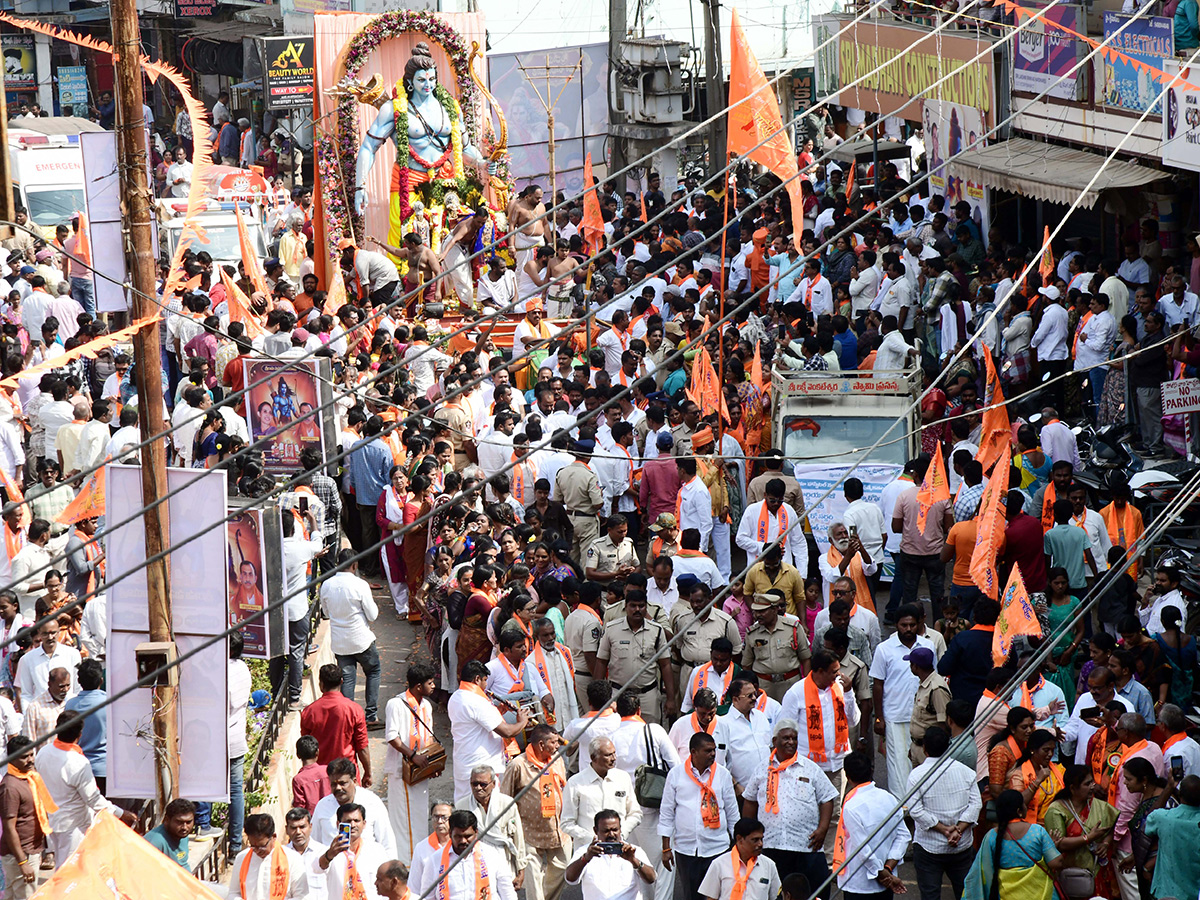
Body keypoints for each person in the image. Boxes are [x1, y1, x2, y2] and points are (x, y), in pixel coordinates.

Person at [740, 720, 837, 899]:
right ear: (775, 741)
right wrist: (749, 834)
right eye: (786, 738)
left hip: (805, 845)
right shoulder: (763, 769)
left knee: (815, 893)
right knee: (775, 894)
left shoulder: (810, 768)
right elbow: (750, 800)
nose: (790, 742)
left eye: (794, 738)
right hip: (771, 844)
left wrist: (823, 829)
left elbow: (827, 798)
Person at [35, 711, 136, 867]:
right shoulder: (78, 762)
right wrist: (121, 813)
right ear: (80, 735)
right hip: (73, 826)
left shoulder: (43, 752)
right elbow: (93, 800)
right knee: (70, 870)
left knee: (67, 867)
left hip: (53, 822)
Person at [658, 732, 739, 900]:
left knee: (717, 895)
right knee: (692, 896)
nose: (713, 754)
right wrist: (666, 848)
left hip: (718, 848)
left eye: (714, 750)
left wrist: (737, 846)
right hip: (687, 850)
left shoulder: (722, 774)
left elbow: (732, 813)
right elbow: (666, 813)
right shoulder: (676, 774)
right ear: (693, 752)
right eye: (708, 751)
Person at [869, 604, 936, 805]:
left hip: (923, 716)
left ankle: (922, 805)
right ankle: (902, 808)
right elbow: (878, 684)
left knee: (923, 763)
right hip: (894, 717)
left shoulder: (928, 646)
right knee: (898, 764)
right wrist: (879, 717)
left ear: (919, 624)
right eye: (904, 625)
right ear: (896, 625)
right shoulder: (884, 649)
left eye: (912, 625)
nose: (908, 629)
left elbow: (934, 679)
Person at [906, 725, 982, 900]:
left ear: (924, 749)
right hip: (961, 846)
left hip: (929, 848)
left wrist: (944, 830)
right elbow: (976, 805)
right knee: (965, 894)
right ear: (949, 746)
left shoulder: (917, 776)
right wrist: (958, 830)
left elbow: (915, 811)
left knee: (930, 895)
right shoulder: (966, 772)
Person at [780, 651, 859, 799]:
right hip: (806, 767)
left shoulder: (841, 688)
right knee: (808, 810)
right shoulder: (796, 693)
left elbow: (853, 721)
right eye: (834, 672)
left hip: (836, 764)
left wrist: (849, 693)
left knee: (834, 814)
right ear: (820, 672)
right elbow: (785, 730)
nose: (839, 675)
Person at [447, 659, 529, 802]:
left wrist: (498, 712)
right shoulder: (476, 701)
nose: (486, 685)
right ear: (477, 679)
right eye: (485, 680)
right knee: (486, 813)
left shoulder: (456, 696)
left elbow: (476, 723)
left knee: (465, 808)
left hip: (465, 764)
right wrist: (522, 722)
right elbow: (507, 732)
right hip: (481, 768)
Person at [834, 751, 910, 900]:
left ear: (848, 777)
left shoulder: (851, 806)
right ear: (871, 771)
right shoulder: (889, 798)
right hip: (887, 881)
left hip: (859, 884)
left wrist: (881, 873)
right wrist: (888, 868)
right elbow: (904, 836)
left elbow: (862, 849)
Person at [962, 789, 1063, 900]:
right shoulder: (1037, 831)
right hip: (1040, 894)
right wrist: (1053, 846)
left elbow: (981, 870)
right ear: (1019, 811)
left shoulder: (991, 836)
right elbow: (1056, 863)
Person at [321, 549, 383, 727]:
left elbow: (326, 612)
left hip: (341, 643)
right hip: (361, 640)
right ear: (355, 565)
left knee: (347, 680)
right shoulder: (360, 585)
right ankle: (371, 716)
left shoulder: (326, 585)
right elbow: (372, 615)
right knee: (373, 671)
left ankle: (348, 720)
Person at [384, 663, 438, 861]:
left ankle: (419, 860)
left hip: (420, 770)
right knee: (401, 820)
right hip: (401, 770)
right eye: (430, 683)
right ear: (417, 686)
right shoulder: (395, 704)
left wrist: (432, 765)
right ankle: (404, 863)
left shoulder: (426, 706)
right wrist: (412, 755)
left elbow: (429, 739)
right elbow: (392, 737)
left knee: (418, 817)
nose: (433, 686)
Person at [1042, 764, 1117, 899]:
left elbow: (1110, 829)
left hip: (1097, 871)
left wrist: (1105, 844)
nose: (1092, 786)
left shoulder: (1098, 805)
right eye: (1087, 784)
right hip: (1070, 874)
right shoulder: (1057, 810)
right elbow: (1059, 843)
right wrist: (1089, 838)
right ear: (1072, 788)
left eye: (1092, 782)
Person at [561, 736, 641, 845]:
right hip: (587, 851)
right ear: (594, 758)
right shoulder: (575, 783)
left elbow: (635, 813)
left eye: (614, 753)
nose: (614, 758)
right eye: (608, 755)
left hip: (619, 849)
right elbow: (567, 823)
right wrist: (592, 839)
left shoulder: (623, 778)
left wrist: (621, 834)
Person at [456, 764, 524, 889]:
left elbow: (518, 838)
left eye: (483, 784)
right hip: (474, 865)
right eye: (474, 784)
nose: (478, 788)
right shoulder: (461, 806)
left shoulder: (507, 804)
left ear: (493, 784)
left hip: (504, 863)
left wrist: (521, 870)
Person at [312, 758, 397, 858]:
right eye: (334, 784)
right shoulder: (322, 806)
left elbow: (387, 842)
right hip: (333, 870)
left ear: (355, 781)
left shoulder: (372, 802)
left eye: (342, 783)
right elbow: (314, 844)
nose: (338, 788)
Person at [300, 665, 372, 785]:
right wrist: (368, 773)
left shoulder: (309, 712)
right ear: (341, 682)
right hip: (348, 776)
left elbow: (306, 750)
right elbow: (362, 746)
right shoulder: (354, 710)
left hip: (321, 779)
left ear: (321, 684)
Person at [563, 808, 655, 900]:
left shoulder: (633, 851)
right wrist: (585, 858)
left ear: (620, 829)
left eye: (615, 830)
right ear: (595, 831)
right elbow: (570, 879)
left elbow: (651, 879)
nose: (611, 834)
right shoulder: (585, 851)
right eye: (606, 831)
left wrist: (634, 861)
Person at [428, 810, 517, 900]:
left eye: (468, 836)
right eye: (458, 836)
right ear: (450, 833)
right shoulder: (435, 860)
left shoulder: (492, 855)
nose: (463, 841)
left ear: (476, 833)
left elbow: (508, 893)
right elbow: (428, 897)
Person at [0, 736, 48, 897]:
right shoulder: (10, 787)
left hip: (31, 850)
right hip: (20, 855)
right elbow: (8, 828)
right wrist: (23, 862)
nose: (30, 760)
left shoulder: (29, 778)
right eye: (24, 757)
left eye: (31, 755)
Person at [315, 803, 391, 900]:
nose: (352, 825)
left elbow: (387, 880)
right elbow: (317, 868)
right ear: (338, 824)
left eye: (356, 821)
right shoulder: (329, 851)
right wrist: (330, 855)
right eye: (348, 821)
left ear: (364, 824)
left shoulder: (376, 850)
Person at [1143, 774, 1200, 900]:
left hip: (1167, 893)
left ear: (1180, 795)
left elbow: (1149, 818)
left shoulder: (1164, 819)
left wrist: (1169, 787)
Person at [227, 813, 309, 899]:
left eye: (262, 846)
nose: (257, 851)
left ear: (273, 837)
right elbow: (233, 893)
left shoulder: (293, 859)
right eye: (253, 846)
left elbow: (302, 897)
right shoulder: (242, 858)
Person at [697, 817, 781, 900]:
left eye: (761, 839)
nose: (760, 844)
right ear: (739, 839)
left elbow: (775, 897)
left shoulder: (769, 865)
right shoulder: (719, 864)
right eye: (755, 840)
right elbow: (711, 897)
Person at [144, 798, 196, 868]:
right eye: (179, 822)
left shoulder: (182, 834)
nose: (185, 827)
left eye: (189, 822)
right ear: (167, 820)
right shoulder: (155, 842)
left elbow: (182, 864)